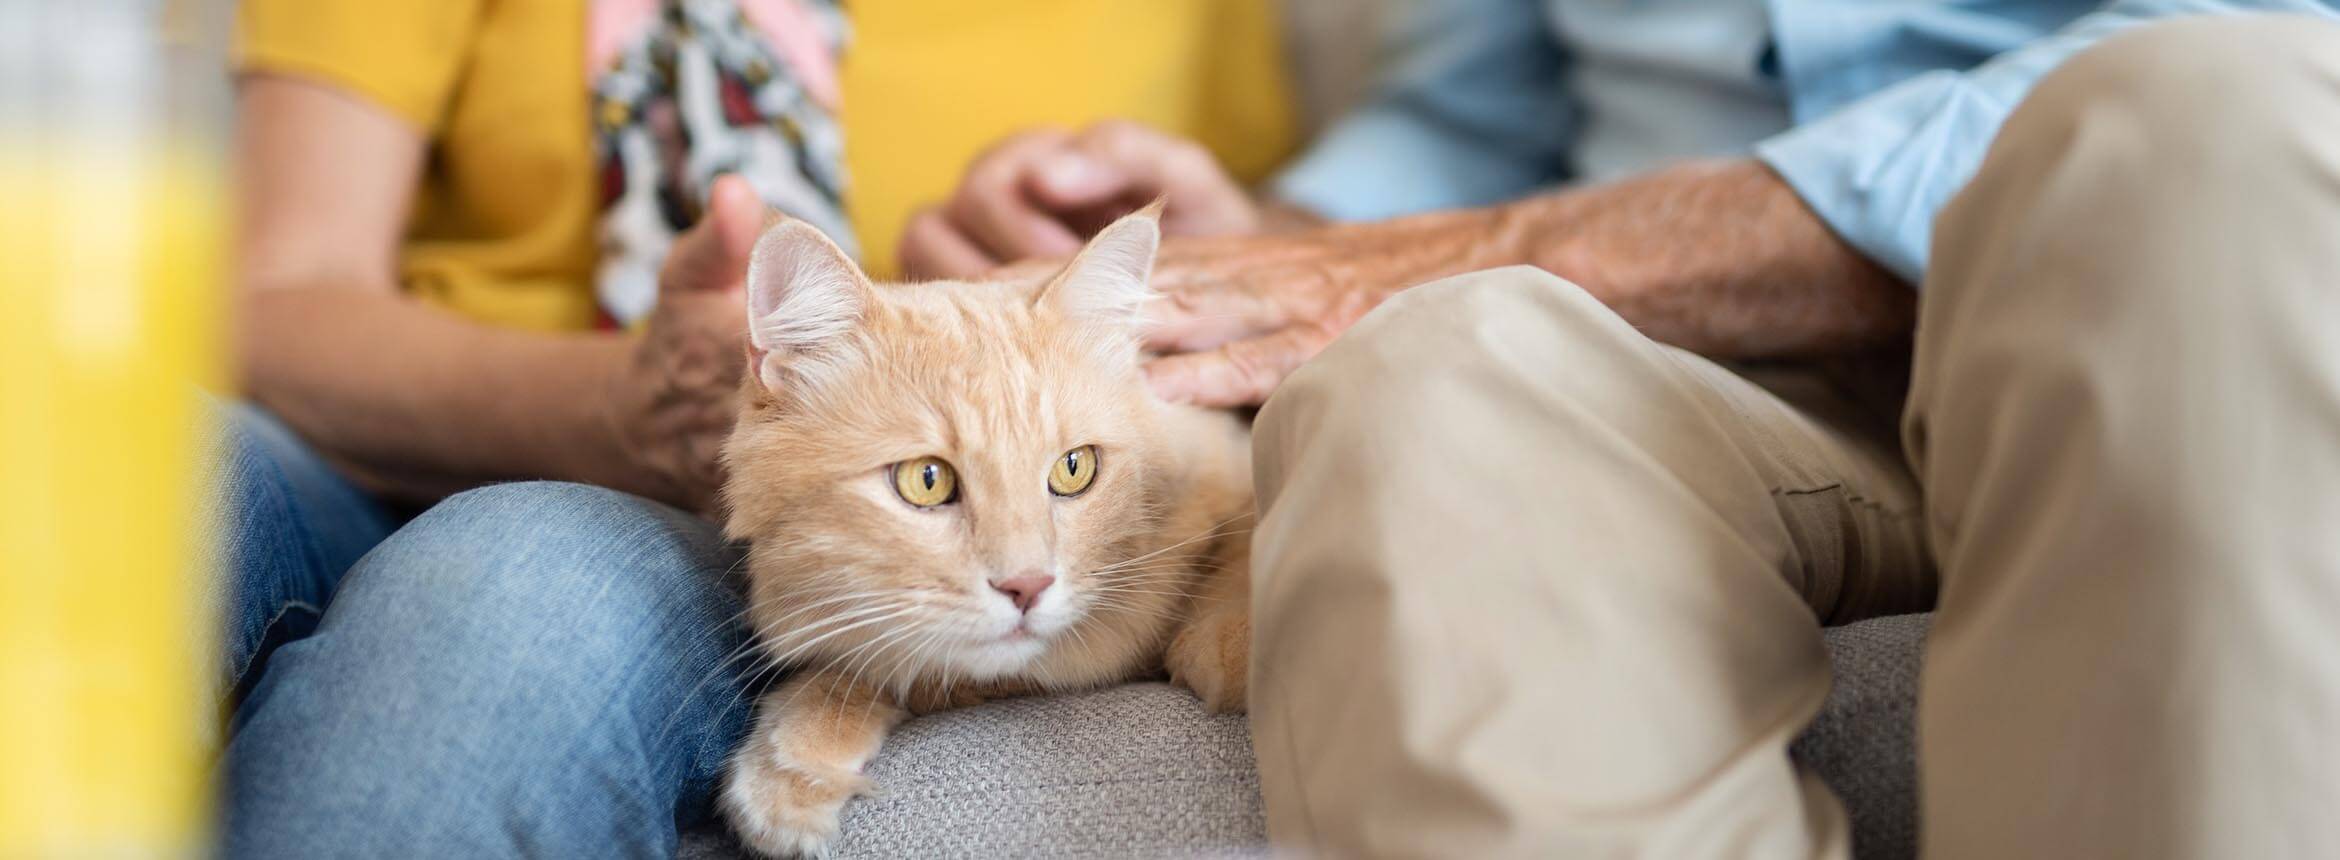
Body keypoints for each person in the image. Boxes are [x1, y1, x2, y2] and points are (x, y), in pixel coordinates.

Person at [906, 2, 2340, 856]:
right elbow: (1479, 112)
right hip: (1686, 367)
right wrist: (1263, 249)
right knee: (1421, 370)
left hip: (2156, 272)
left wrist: (1544, 239)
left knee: (2198, 124)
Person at [211, 0, 1293, 855]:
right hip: (371, 429)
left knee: (509, 586)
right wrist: (611, 406)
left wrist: (1240, 244)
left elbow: (1323, 249)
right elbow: (267, 294)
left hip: (687, 516)